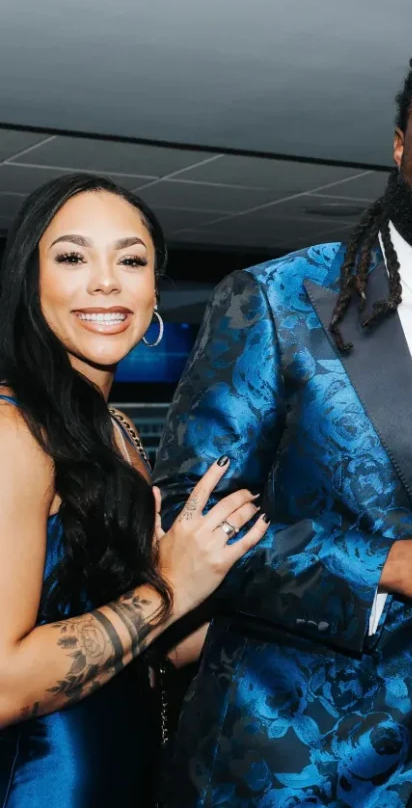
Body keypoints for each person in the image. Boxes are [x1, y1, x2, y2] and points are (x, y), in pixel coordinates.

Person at [154, 41, 412, 807]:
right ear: (401, 148)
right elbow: (187, 519)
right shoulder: (278, 300)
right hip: (300, 752)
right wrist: (392, 565)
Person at [0, 173, 267, 807]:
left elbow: (146, 650)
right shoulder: (14, 431)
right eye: (72, 257)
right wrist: (171, 586)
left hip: (127, 770)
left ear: (153, 291)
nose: (107, 282)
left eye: (131, 260)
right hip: (42, 786)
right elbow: (4, 684)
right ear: (29, 283)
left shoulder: (116, 430)